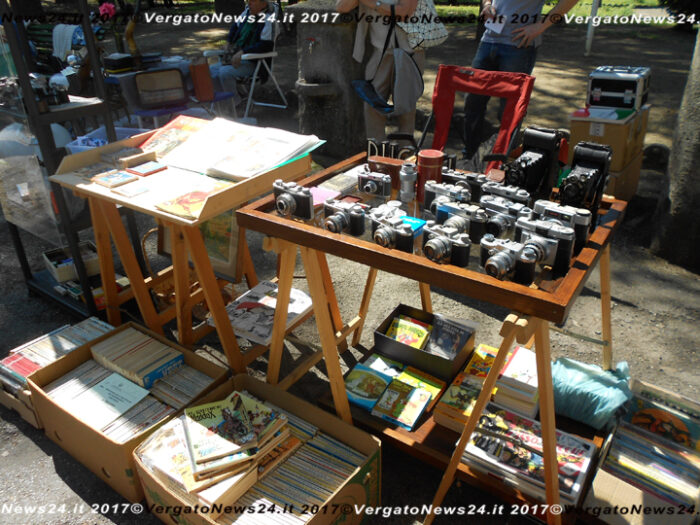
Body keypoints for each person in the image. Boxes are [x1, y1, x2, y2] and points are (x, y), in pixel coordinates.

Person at [462, 0, 580, 159]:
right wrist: (487, 5)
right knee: (473, 102)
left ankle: (501, 161)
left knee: (509, 109)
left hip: (518, 46)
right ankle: (470, 157)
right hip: (488, 40)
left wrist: (540, 26)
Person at [336, 0, 424, 142]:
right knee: (372, 103)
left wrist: (372, 3)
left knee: (406, 107)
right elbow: (342, 7)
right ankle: (376, 150)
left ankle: (405, 151)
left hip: (409, 51)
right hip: (380, 52)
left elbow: (404, 12)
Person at [210, 0, 279, 94]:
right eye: (248, 0)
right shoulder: (246, 13)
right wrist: (229, 42)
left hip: (254, 62)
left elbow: (266, 45)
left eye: (253, 1)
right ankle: (226, 99)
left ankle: (233, 101)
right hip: (235, 58)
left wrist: (243, 52)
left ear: (263, 4)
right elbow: (235, 27)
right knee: (211, 71)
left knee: (224, 72)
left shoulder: (268, 20)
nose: (249, 3)